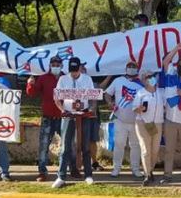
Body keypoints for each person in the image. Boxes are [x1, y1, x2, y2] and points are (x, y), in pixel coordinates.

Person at [26, 56, 80, 182]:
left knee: (70, 144)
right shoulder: (43, 78)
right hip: (47, 117)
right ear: (50, 65)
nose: (55, 66)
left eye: (58, 64)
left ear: (62, 65)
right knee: (44, 145)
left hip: (64, 116)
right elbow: (32, 93)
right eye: (53, 64)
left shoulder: (67, 78)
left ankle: (73, 169)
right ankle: (42, 172)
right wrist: (30, 84)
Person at [51, 57, 96, 188]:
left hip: (84, 115)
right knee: (65, 146)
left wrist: (92, 109)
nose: (74, 73)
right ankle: (61, 176)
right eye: (72, 71)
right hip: (68, 115)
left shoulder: (87, 79)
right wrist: (62, 110)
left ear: (80, 68)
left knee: (85, 146)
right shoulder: (63, 79)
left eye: (76, 71)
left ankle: (88, 175)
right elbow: (57, 98)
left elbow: (93, 97)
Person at [161, 44, 181, 185]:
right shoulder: (171, 73)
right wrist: (175, 49)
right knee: (169, 150)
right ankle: (168, 175)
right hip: (170, 119)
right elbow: (165, 62)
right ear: (177, 65)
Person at [104, 62, 144, 178]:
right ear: (125, 69)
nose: (131, 69)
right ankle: (116, 168)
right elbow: (107, 94)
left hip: (136, 120)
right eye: (129, 67)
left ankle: (135, 169)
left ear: (137, 69)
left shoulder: (141, 84)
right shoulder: (118, 80)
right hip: (120, 119)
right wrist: (110, 103)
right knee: (119, 144)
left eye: (134, 67)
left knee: (135, 145)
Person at [133, 70, 165, 186]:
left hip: (156, 123)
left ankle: (150, 170)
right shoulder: (141, 93)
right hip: (143, 122)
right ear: (143, 80)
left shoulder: (161, 92)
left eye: (152, 76)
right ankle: (147, 175)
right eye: (147, 77)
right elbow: (134, 108)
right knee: (146, 149)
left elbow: (167, 105)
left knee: (155, 149)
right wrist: (139, 109)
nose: (150, 78)